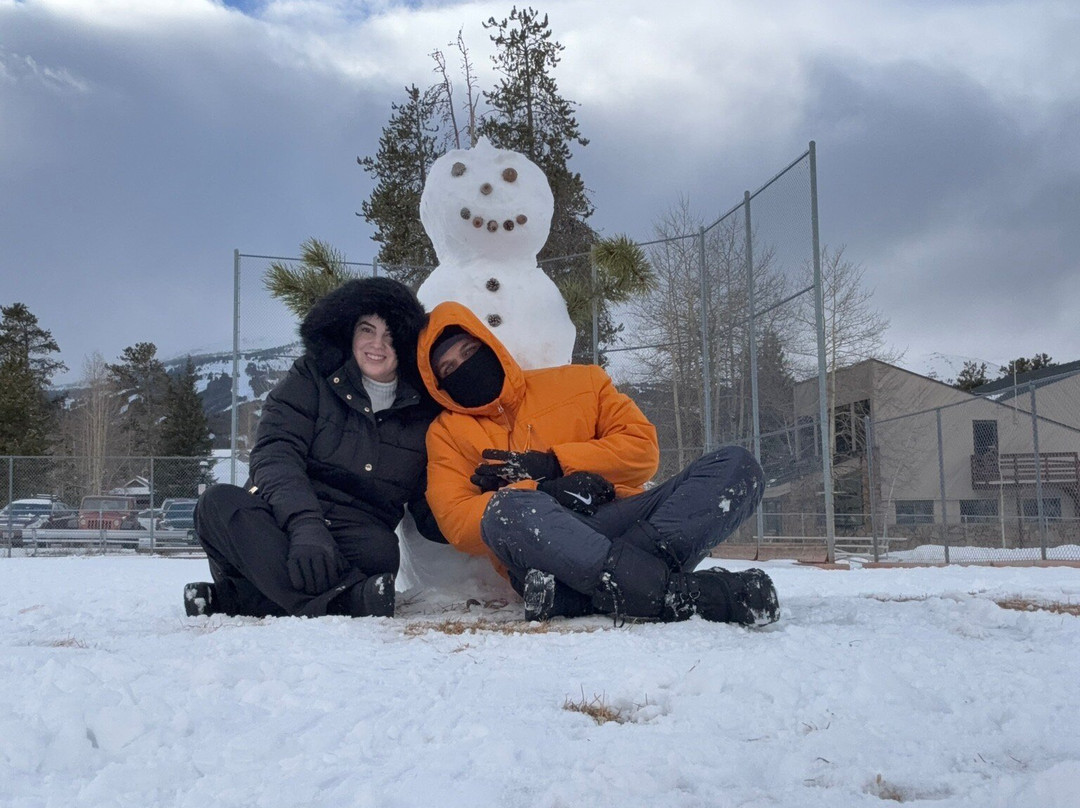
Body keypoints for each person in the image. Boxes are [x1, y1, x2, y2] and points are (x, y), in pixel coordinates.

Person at [417, 301, 779, 626]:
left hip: (626, 515)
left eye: (469, 351)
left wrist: (558, 464)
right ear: (439, 386)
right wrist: (544, 491)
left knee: (738, 466)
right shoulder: (446, 433)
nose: (464, 367)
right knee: (504, 510)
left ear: (489, 344)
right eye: (449, 368)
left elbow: (643, 452)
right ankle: (681, 592)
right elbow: (458, 522)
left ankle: (579, 595)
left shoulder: (581, 382)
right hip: (546, 547)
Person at [184, 278, 444, 619]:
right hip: (282, 519)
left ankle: (240, 598)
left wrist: (478, 506)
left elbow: (432, 501)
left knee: (380, 553)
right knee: (217, 504)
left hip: (358, 536)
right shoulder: (311, 377)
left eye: (390, 334)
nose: (377, 344)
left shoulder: (425, 410)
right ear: (349, 332)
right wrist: (305, 524)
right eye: (367, 330)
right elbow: (275, 452)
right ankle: (342, 601)